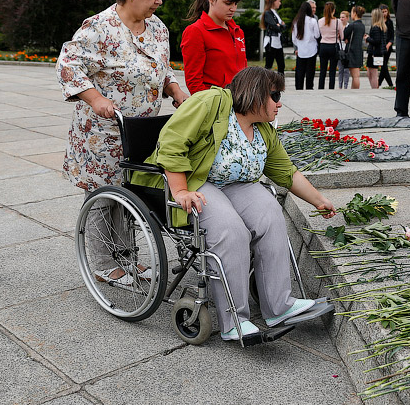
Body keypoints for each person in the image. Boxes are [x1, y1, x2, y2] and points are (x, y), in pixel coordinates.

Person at [134, 67, 337, 341]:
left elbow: (285, 171)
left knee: (271, 214)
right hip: (196, 180)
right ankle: (234, 321)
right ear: (254, 93)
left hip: (234, 184)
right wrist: (180, 190)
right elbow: (171, 143)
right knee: (231, 230)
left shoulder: (263, 128)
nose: (280, 103)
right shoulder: (209, 103)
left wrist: (319, 200)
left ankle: (280, 306)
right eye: (275, 95)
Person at [58, 0, 188, 284]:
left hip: (141, 130)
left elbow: (164, 68)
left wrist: (174, 88)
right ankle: (103, 264)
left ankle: (127, 257)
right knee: (105, 196)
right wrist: (96, 98)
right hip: (102, 132)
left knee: (130, 194)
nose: (159, 1)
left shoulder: (158, 29)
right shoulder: (99, 27)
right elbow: (68, 66)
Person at [181, 0, 247, 95]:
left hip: (240, 104)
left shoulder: (238, 32)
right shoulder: (195, 31)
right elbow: (194, 82)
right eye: (228, 3)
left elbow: (244, 71)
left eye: (235, 3)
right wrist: (213, 106)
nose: (233, 8)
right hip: (215, 106)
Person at [291, 1, 321, 90]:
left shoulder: (296, 21)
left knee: (300, 71)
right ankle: (309, 88)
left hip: (301, 50)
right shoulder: (313, 21)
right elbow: (317, 35)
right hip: (312, 49)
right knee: (310, 72)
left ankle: (299, 87)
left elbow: (294, 38)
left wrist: (299, 45)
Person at [317, 1, 343, 90]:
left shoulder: (320, 21)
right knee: (332, 71)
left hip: (323, 46)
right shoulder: (337, 21)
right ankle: (331, 89)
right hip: (334, 46)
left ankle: (321, 88)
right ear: (334, 10)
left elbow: (318, 34)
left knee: (322, 71)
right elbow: (342, 36)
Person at [260, 0, 285, 72]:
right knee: (269, 65)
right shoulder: (268, 13)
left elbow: (282, 26)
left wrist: (279, 25)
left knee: (281, 65)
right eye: (279, 1)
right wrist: (279, 25)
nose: (280, 3)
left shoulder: (275, 13)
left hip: (278, 41)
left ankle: (280, 82)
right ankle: (265, 82)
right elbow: (275, 26)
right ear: (274, 1)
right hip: (271, 42)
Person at [343, 6, 366, 89]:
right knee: (356, 75)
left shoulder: (352, 25)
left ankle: (355, 91)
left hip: (352, 51)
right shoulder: (362, 26)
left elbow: (343, 35)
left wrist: (346, 39)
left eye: (352, 12)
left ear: (355, 14)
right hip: (359, 51)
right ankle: (353, 90)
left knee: (355, 76)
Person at [366, 8, 387, 89]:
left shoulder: (375, 27)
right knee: (371, 73)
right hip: (378, 53)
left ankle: (374, 89)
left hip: (374, 53)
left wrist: (367, 38)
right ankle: (374, 88)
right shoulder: (382, 27)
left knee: (373, 73)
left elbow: (376, 41)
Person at [378, 4, 395, 87]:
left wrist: (389, 44)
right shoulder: (378, 22)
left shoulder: (390, 22)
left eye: (385, 11)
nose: (384, 13)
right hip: (380, 46)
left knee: (384, 64)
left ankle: (380, 84)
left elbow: (392, 36)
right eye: (382, 12)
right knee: (383, 65)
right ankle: (386, 84)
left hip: (388, 46)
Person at [337, 10, 351, 89]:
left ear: (347, 18)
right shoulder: (338, 26)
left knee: (346, 70)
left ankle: (345, 86)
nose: (341, 19)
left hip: (347, 50)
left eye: (343, 17)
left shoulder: (349, 27)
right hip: (339, 49)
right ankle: (340, 86)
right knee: (340, 70)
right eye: (340, 17)